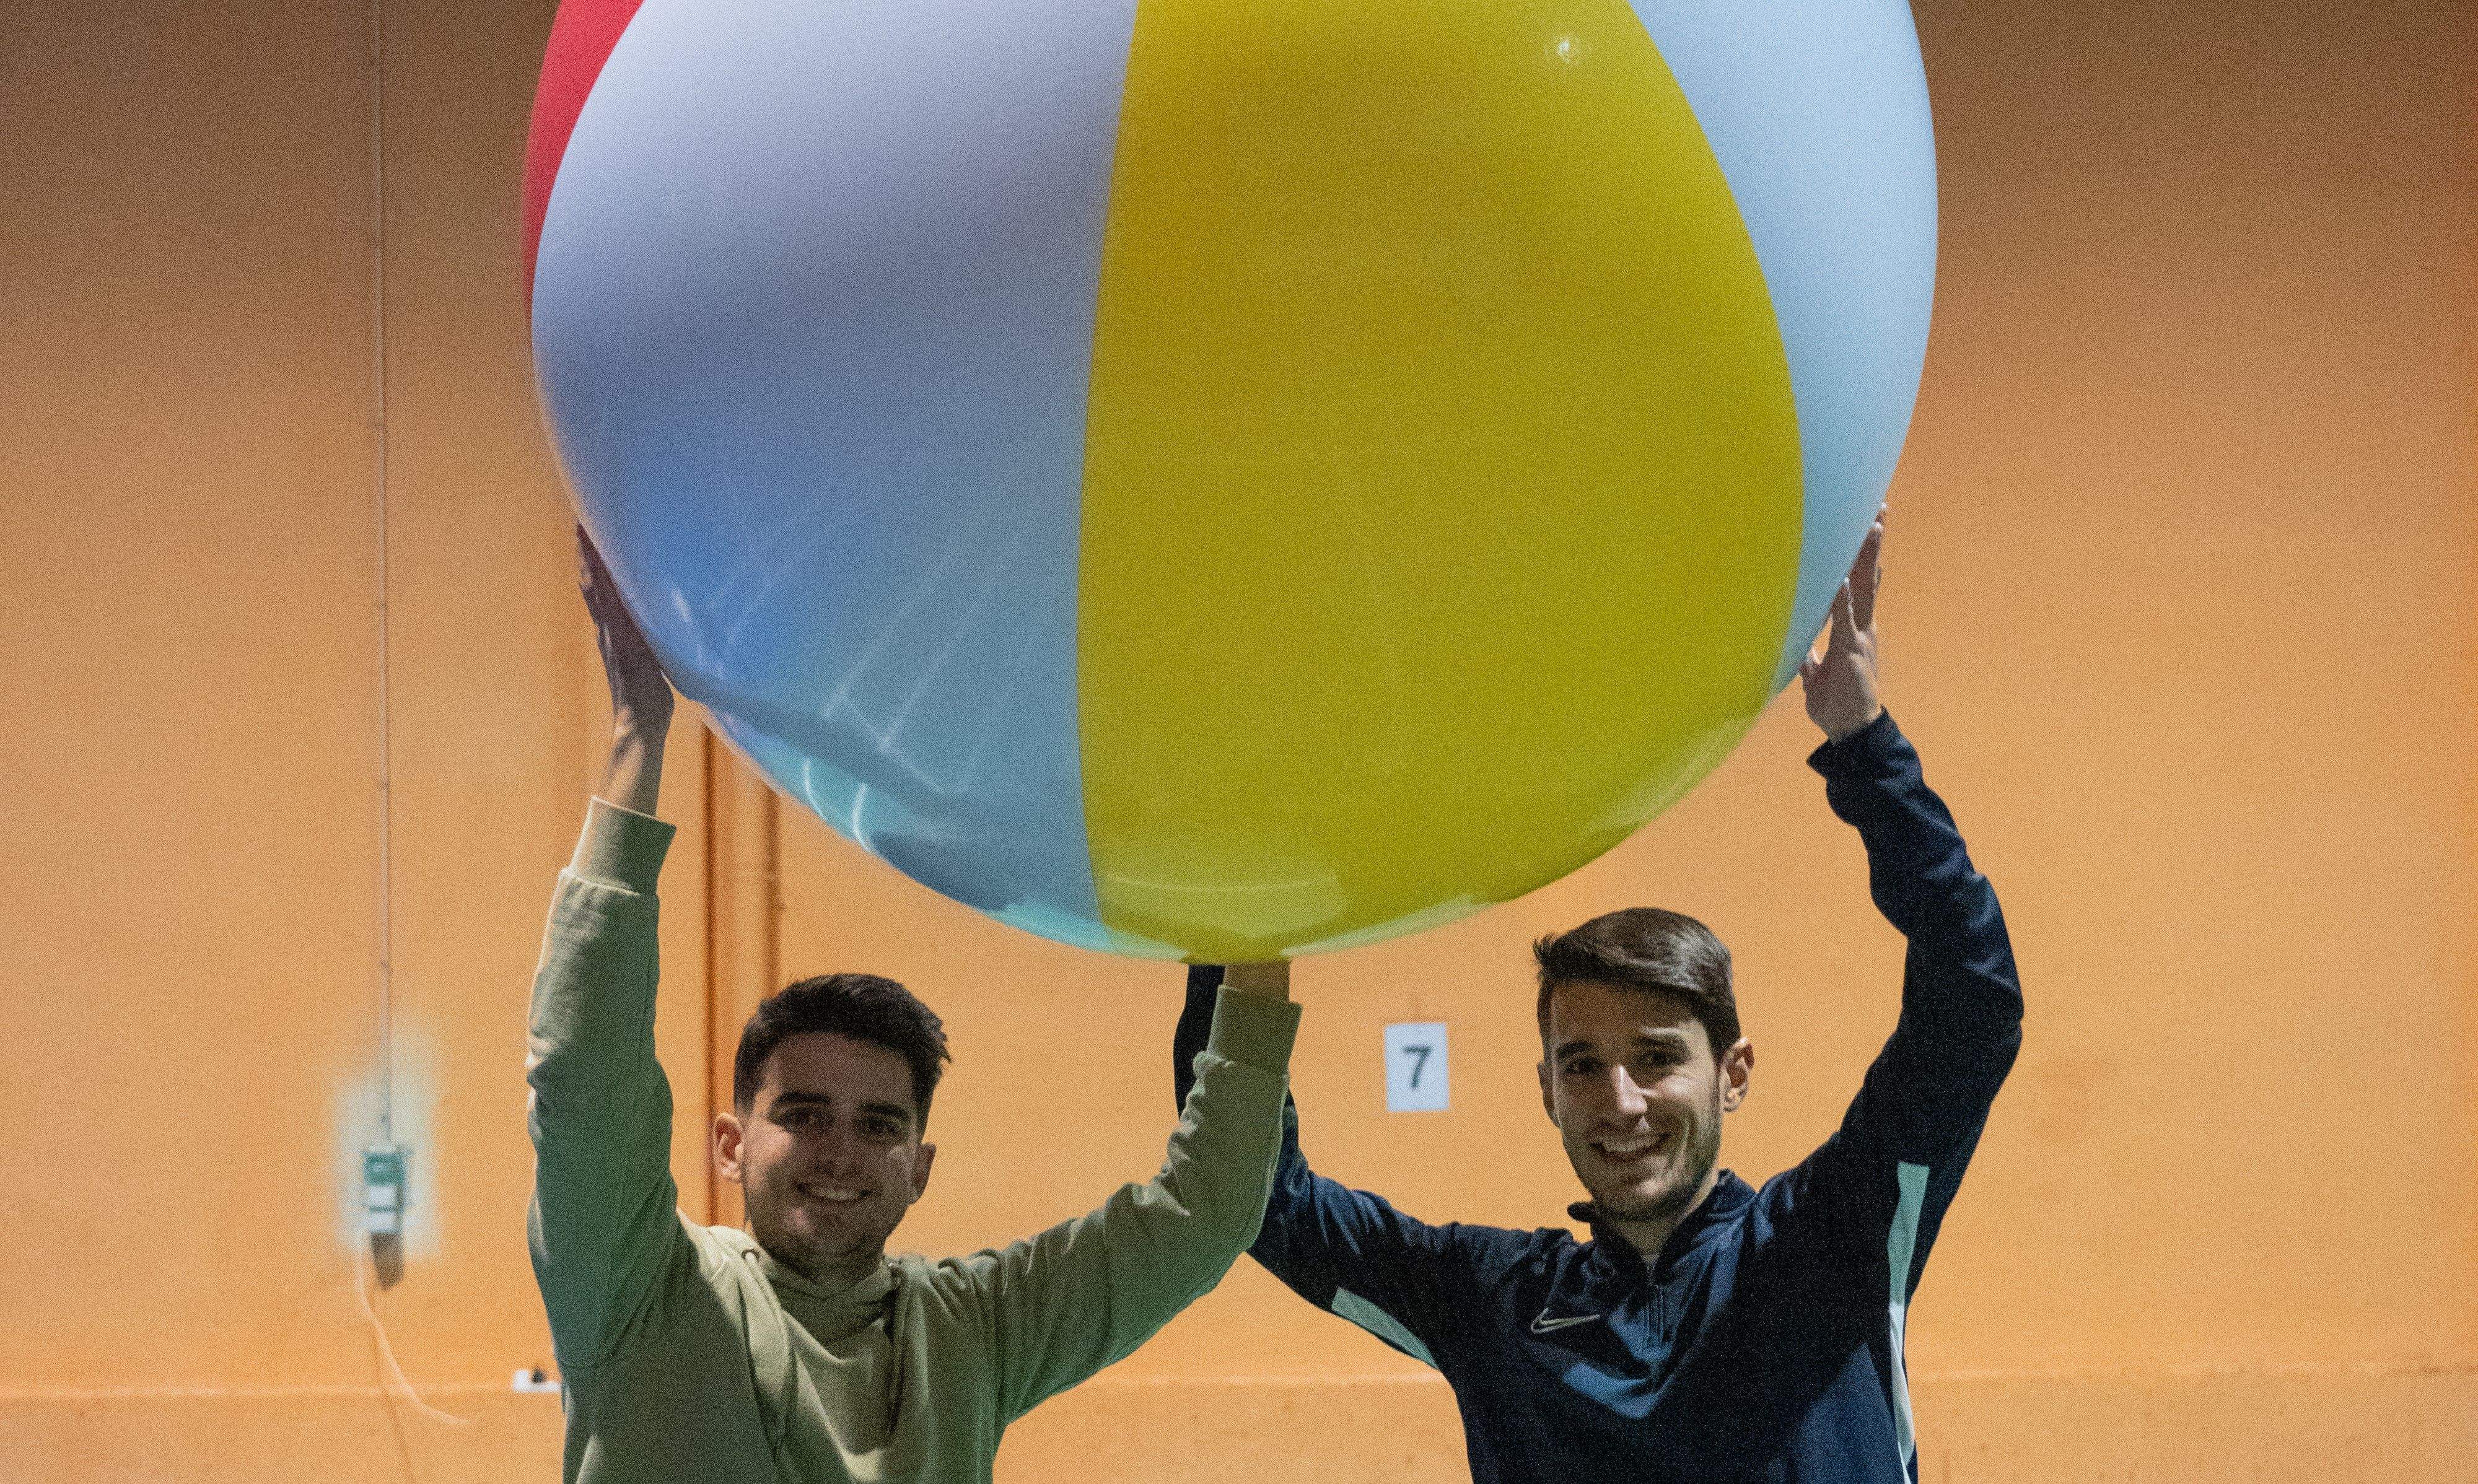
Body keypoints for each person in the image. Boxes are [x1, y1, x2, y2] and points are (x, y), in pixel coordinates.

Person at [1173, 515, 2021, 1483]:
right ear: (1545, 1088)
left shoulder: (1834, 1243)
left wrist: (1867, 751)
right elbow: (1251, 1195)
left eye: (1657, 1057)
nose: (1620, 1101)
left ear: (1732, 1073)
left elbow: (1973, 1002)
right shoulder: (1489, 1301)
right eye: (1584, 1065)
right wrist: (1237, 918)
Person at [529, 534, 1300, 1484]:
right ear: (731, 1145)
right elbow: (585, 1073)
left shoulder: (973, 1329)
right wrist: (638, 735)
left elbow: (1204, 1215)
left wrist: (1268, 917)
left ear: (919, 1168)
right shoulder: (639, 1291)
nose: (840, 1152)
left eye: (878, 1126)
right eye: (802, 1116)